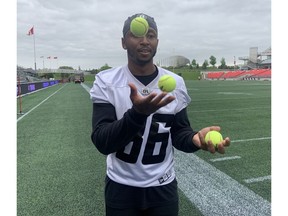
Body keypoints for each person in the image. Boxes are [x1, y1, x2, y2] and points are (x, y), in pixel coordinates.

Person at [90, 13, 230, 216]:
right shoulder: (107, 81)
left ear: (157, 42)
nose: (144, 41)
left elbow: (179, 133)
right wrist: (138, 114)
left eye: (151, 35)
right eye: (136, 34)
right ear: (123, 42)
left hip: (163, 187)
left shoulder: (176, 83)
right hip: (121, 187)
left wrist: (195, 139)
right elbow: (103, 142)